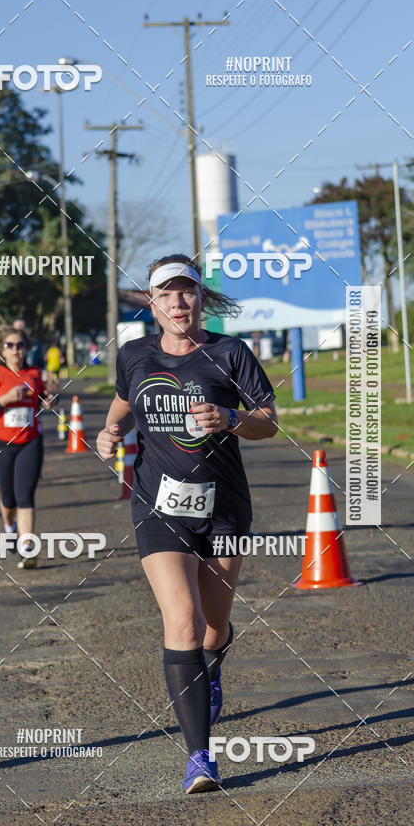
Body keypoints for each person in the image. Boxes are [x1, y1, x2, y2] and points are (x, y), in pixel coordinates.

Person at [96, 254, 278, 794]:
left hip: (223, 508)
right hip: (158, 506)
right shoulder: (134, 355)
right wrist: (109, 432)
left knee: (212, 629)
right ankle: (201, 756)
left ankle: (212, 666)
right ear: (151, 304)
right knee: (182, 622)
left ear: (200, 298)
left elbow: (268, 422)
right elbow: (123, 405)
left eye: (187, 292)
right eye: (166, 294)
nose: (178, 302)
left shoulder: (229, 353)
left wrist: (230, 419)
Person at [0, 325, 55, 569]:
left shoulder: (34, 373)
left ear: (26, 348)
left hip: (30, 441)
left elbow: (43, 397)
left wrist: (49, 400)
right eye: (10, 345)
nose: (15, 350)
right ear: (1, 349)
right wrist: (4, 399)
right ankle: (9, 527)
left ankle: (27, 549)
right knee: (8, 498)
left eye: (20, 345)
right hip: (0, 444)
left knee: (25, 495)